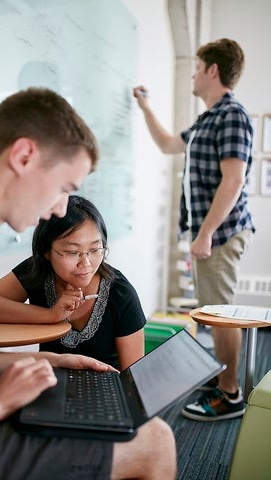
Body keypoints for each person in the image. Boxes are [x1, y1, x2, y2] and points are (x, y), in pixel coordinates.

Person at [0, 87, 176, 479]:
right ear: (23, 157)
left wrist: (52, 361)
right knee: (155, 441)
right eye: (64, 189)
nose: (58, 209)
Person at [133, 38, 255, 421]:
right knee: (212, 311)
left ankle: (231, 394)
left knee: (220, 314)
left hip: (221, 233)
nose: (193, 74)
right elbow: (170, 144)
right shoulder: (208, 119)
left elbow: (233, 181)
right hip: (209, 232)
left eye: (196, 67)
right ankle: (223, 377)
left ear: (212, 71)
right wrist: (145, 105)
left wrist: (205, 233)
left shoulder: (232, 114)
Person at [0, 195, 146, 371]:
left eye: (95, 249)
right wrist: (50, 315)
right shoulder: (37, 271)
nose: (86, 264)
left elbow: (133, 380)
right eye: (72, 252)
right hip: (49, 385)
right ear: (46, 251)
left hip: (107, 393)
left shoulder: (121, 293)